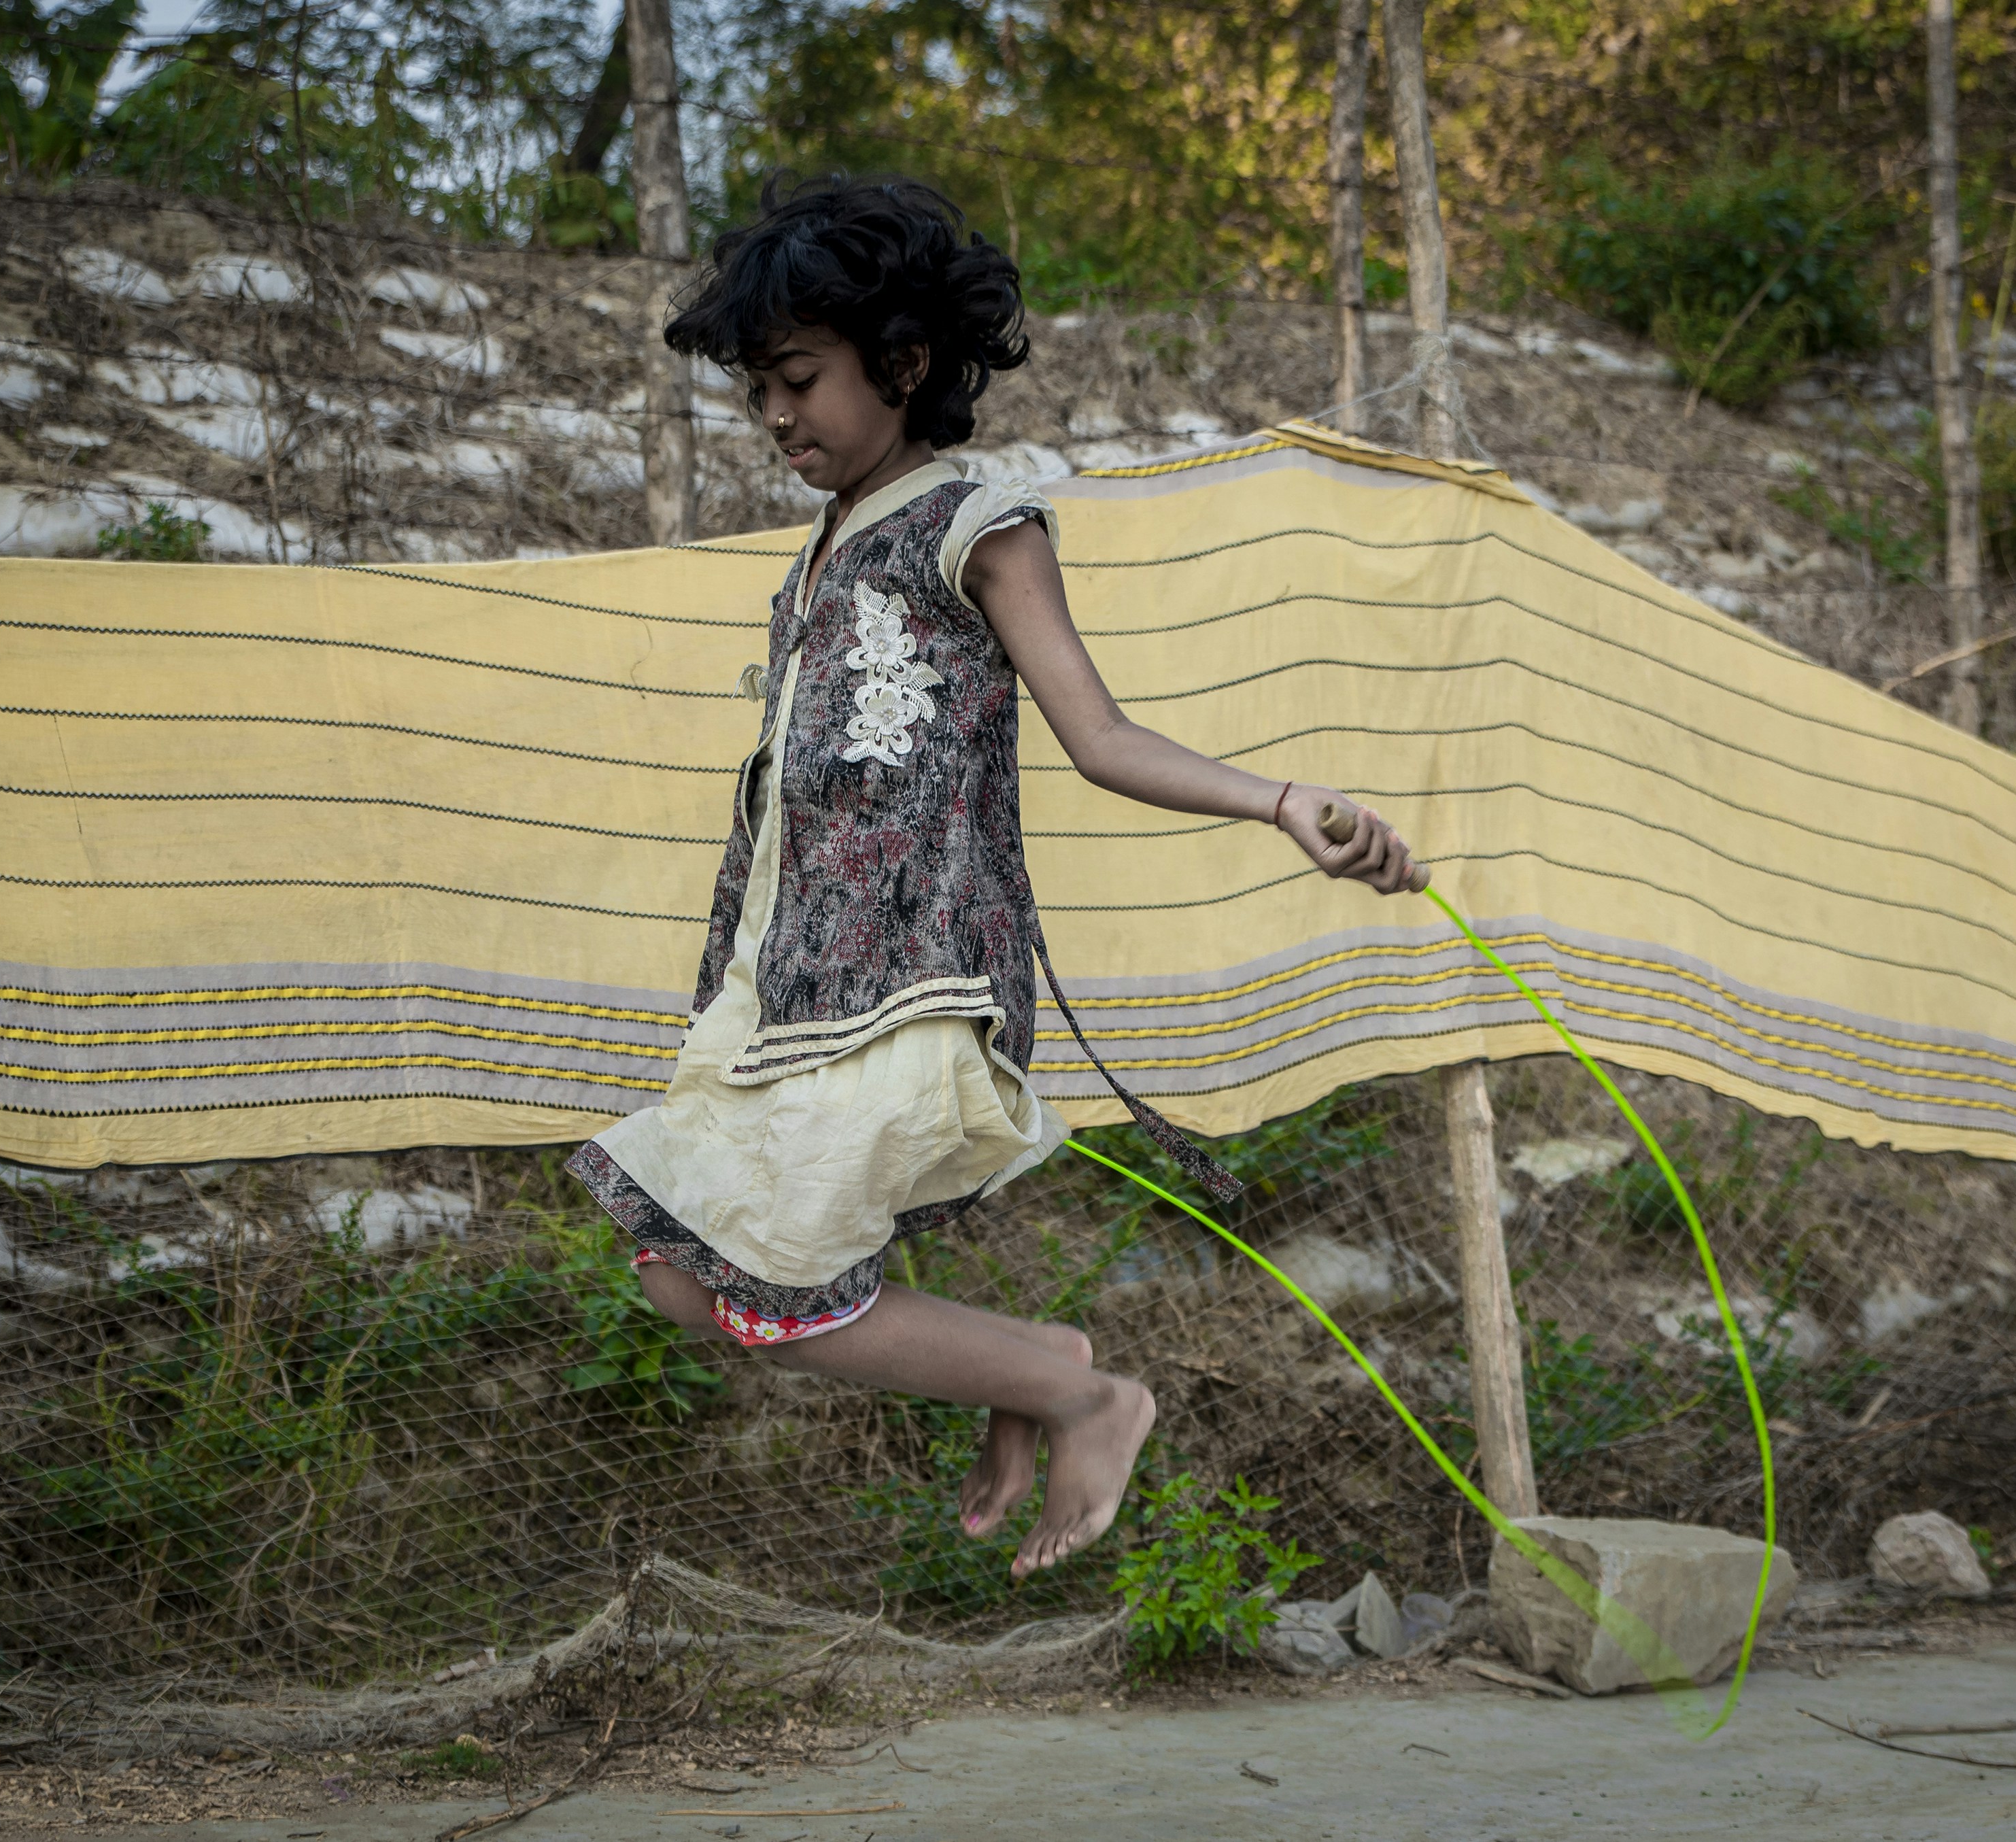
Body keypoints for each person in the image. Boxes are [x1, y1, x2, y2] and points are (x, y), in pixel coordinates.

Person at [567, 176, 1422, 1579]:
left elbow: (1099, 733)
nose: (775, 415)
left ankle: (1081, 1394)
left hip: (907, 968)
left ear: (900, 364)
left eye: (797, 379)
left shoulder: (975, 517)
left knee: (766, 1285)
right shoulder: (821, 547)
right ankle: (1033, 1370)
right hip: (779, 984)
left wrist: (1279, 800)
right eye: (757, 391)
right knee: (678, 1272)